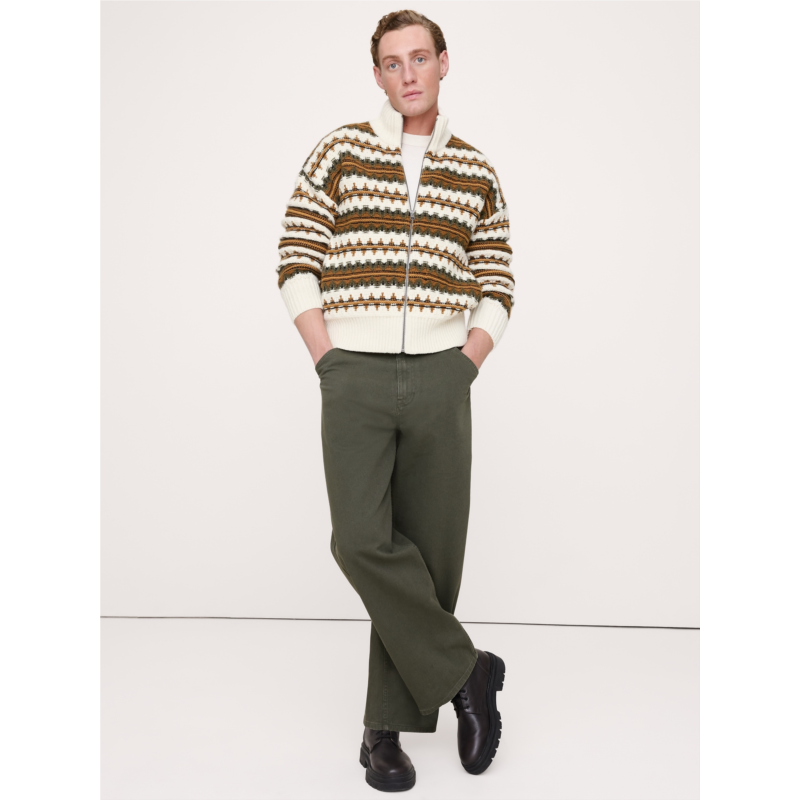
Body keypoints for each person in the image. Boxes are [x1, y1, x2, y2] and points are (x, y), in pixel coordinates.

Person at [275, 9, 514, 792]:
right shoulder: (340, 152)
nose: (407, 74)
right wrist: (328, 357)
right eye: (391, 62)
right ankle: (467, 670)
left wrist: (466, 363)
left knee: (431, 553)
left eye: (419, 58)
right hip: (356, 374)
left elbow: (497, 277)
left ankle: (382, 733)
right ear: (377, 74)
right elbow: (296, 254)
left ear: (444, 62)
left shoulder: (474, 170)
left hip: (443, 373)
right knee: (361, 540)